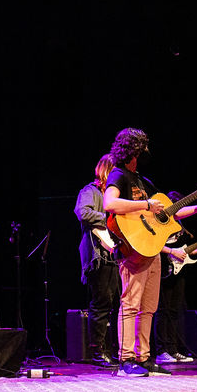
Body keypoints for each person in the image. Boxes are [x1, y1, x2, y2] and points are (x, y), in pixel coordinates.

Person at [103, 128, 197, 377]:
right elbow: (110, 203)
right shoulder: (119, 175)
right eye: (142, 149)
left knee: (149, 307)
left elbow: (169, 213)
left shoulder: (143, 180)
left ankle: (143, 357)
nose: (146, 153)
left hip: (151, 250)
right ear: (133, 151)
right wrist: (145, 204)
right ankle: (126, 359)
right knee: (130, 304)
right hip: (133, 249)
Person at [154, 203, 197, 364]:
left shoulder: (180, 227)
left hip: (179, 270)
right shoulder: (160, 224)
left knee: (175, 310)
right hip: (164, 268)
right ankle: (161, 350)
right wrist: (172, 252)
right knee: (163, 310)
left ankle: (173, 349)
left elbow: (184, 251)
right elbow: (154, 244)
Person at [73, 154, 121, 367]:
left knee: (119, 305)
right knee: (102, 303)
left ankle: (119, 350)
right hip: (99, 255)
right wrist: (111, 217)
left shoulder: (117, 194)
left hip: (118, 255)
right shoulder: (90, 191)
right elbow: (83, 212)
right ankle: (98, 351)